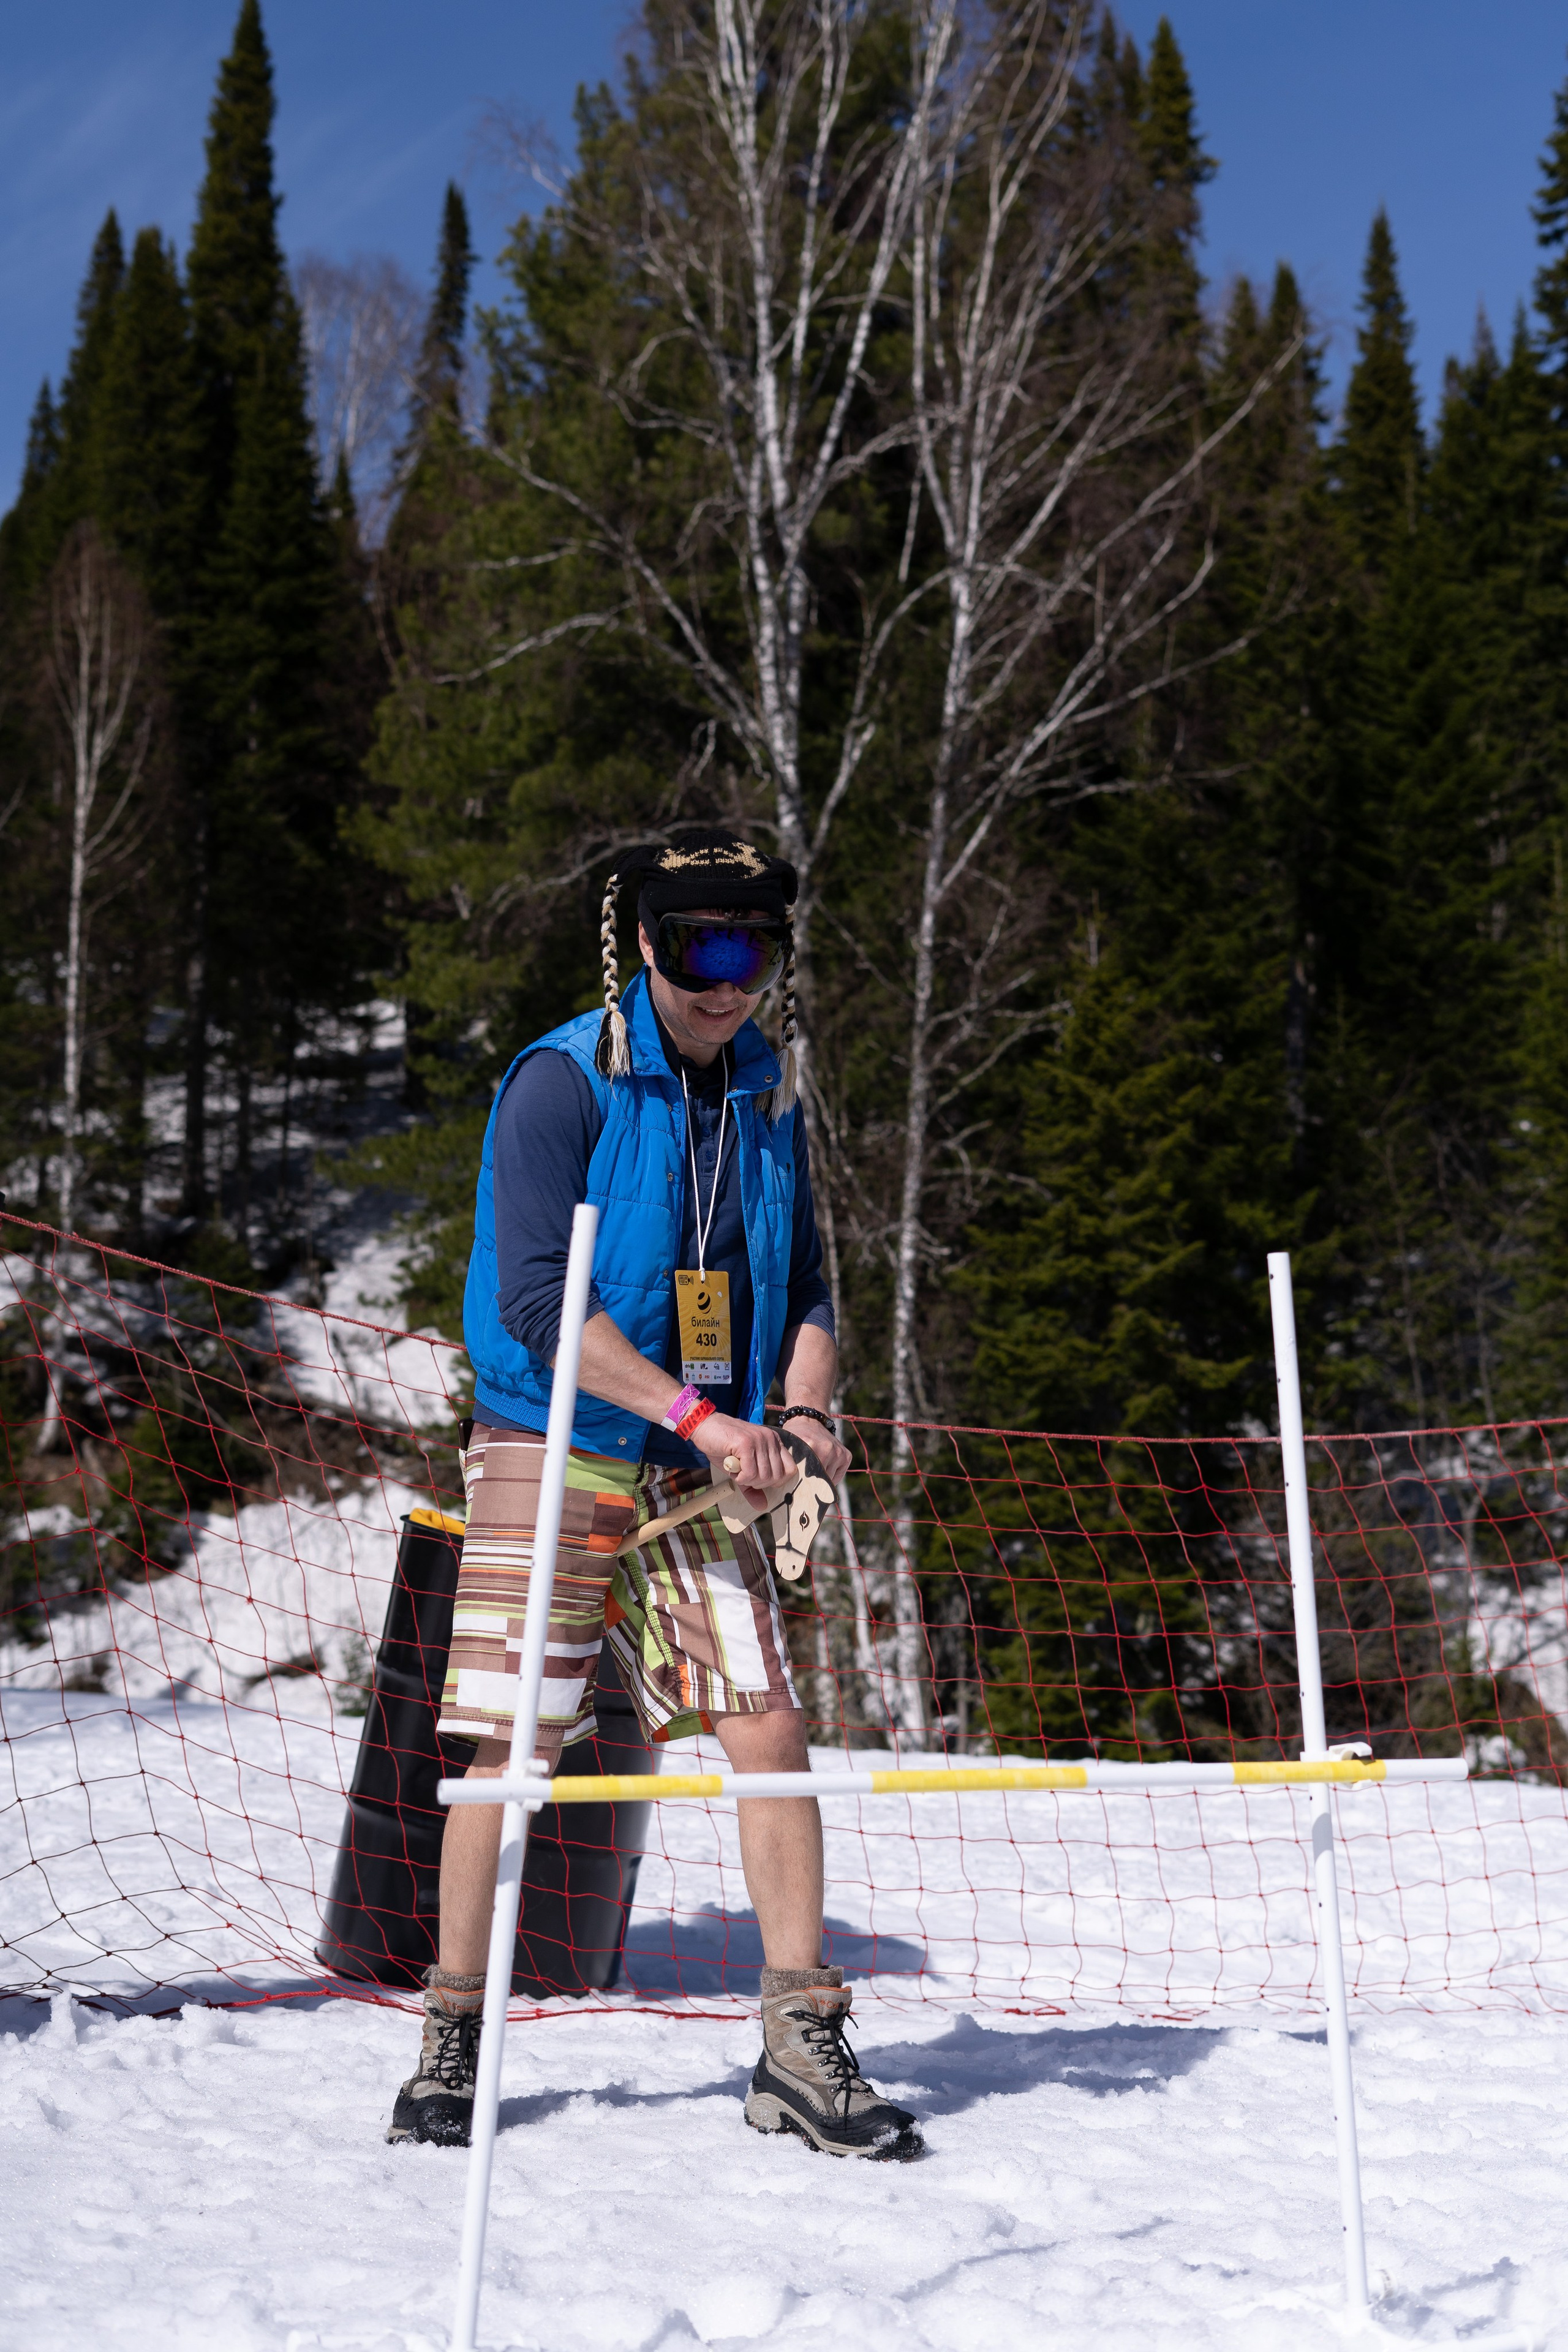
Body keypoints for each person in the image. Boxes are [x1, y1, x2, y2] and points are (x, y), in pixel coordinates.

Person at [387, 829, 922, 2162]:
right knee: (509, 1751)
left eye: (751, 952)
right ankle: (454, 2032)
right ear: (643, 946)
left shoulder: (767, 1092)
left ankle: (800, 2042)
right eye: (698, 950)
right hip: (558, 1437)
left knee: (766, 1732)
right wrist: (694, 1412)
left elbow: (799, 1285)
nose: (724, 981)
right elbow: (534, 1304)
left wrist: (800, 1408)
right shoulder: (559, 1082)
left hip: (700, 1462)